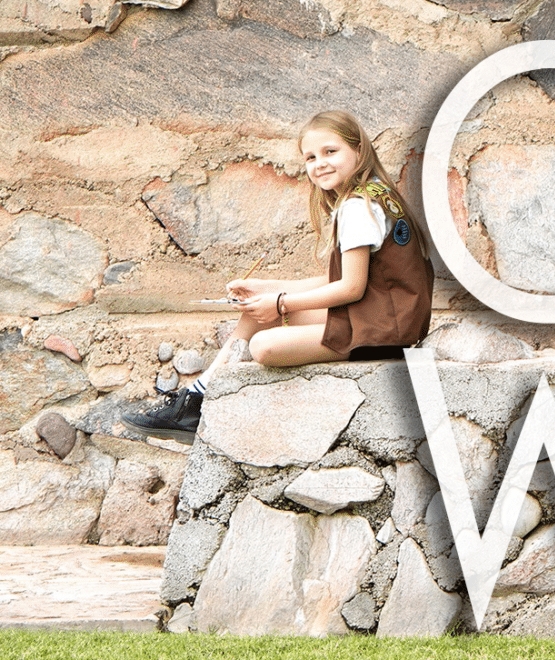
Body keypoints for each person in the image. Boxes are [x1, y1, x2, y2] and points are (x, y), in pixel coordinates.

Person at [124, 111, 435, 443]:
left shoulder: (357, 208)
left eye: (331, 152)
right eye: (311, 157)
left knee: (264, 346)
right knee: (253, 313)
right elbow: (345, 280)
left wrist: (282, 304)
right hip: (386, 318)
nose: (320, 164)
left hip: (381, 331)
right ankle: (196, 400)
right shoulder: (375, 194)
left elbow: (351, 288)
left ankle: (197, 404)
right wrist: (269, 289)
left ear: (359, 151)